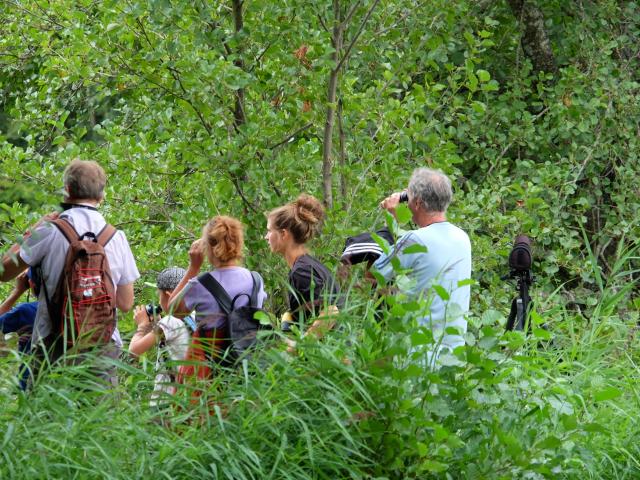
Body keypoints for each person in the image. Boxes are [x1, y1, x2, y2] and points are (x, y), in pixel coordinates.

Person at [0, 159, 140, 385]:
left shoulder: (48, 231)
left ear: (67, 190)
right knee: (99, 419)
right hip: (102, 348)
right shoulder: (117, 237)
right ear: (102, 195)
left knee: (48, 417)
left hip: (52, 347)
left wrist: (34, 230)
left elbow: (4, 272)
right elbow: (125, 303)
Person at [374, 167, 471, 363]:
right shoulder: (463, 238)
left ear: (417, 203)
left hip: (418, 354)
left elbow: (376, 273)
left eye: (409, 200)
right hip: (453, 354)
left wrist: (392, 221)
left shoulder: (415, 240)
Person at [169, 215, 267, 366]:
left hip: (211, 367)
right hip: (250, 364)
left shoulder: (201, 285)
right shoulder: (256, 280)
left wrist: (193, 267)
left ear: (207, 247)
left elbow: (172, 310)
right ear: (239, 243)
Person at [265, 194, 340, 348]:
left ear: (284, 234)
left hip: (334, 359)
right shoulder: (309, 265)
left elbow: (331, 312)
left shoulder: (302, 271)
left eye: (269, 231)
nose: (266, 237)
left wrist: (300, 346)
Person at [129, 267, 191, 407]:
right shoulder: (194, 317)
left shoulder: (169, 323)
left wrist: (142, 325)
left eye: (159, 295)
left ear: (168, 295)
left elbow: (134, 351)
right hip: (187, 398)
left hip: (165, 401)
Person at [0, 269, 38, 390]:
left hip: (29, 382)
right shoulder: (73, 308)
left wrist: (17, 291)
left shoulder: (27, 311)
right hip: (66, 382)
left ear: (31, 283)